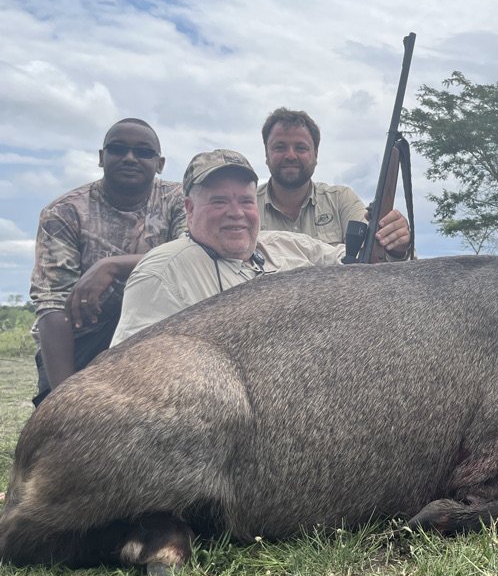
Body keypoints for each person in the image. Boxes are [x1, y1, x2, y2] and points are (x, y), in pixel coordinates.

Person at [111, 149, 347, 345]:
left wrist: (384, 236)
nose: (236, 213)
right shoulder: (161, 275)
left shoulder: (287, 244)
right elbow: (135, 376)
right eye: (219, 202)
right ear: (190, 208)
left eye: (246, 201)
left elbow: (354, 262)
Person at [29, 118, 185, 405]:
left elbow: (188, 256)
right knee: (65, 433)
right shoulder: (63, 212)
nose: (129, 158)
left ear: (159, 163)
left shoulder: (179, 200)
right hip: (82, 338)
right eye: (118, 149)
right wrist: (65, 397)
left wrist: (111, 265)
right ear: (102, 158)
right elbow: (51, 307)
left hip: (157, 334)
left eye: (143, 152)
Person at [256, 107, 412, 258]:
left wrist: (396, 246)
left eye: (301, 148)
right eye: (280, 147)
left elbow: (375, 251)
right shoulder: (246, 208)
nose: (290, 155)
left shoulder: (341, 200)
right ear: (266, 154)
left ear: (315, 154)